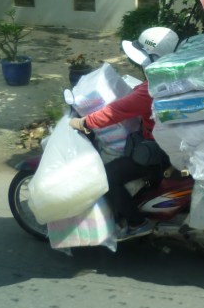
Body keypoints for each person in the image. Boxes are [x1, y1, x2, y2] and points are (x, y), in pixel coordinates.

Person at [69, 27, 180, 241]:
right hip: (173, 144)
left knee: (107, 176)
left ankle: (137, 223)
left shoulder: (152, 89)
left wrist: (83, 121)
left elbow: (116, 111)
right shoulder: (174, 77)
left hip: (158, 150)